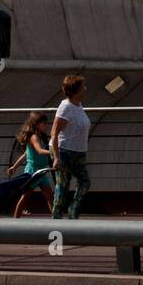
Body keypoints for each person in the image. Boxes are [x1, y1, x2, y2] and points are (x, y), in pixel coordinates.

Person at [50, 75, 92, 220]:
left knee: (85, 181)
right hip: (64, 151)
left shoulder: (78, 105)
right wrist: (55, 157)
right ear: (75, 90)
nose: (85, 89)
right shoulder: (65, 107)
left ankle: (73, 209)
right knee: (63, 185)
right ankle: (56, 218)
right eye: (82, 87)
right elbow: (54, 133)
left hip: (79, 152)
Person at [7, 111, 54, 217]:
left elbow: (25, 154)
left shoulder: (41, 137)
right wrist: (54, 152)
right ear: (36, 124)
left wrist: (14, 166)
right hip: (32, 171)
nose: (46, 125)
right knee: (26, 197)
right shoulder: (34, 137)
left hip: (41, 171)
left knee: (50, 196)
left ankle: (56, 218)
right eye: (44, 123)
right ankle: (15, 219)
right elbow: (39, 151)